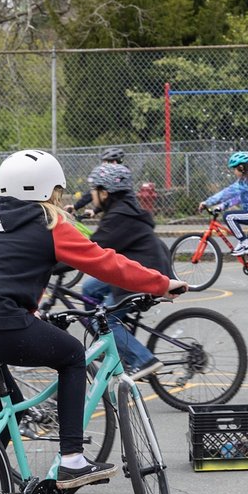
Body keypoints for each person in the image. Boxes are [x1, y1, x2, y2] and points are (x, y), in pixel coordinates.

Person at [0, 149, 187, 494]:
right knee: (72, 356)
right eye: (58, 191)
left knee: (6, 415)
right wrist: (161, 282)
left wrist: (31, 313)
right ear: (48, 190)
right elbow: (105, 263)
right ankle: (72, 458)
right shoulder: (49, 223)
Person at [78, 161, 170, 380]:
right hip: (138, 269)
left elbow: (91, 250)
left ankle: (143, 359)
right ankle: (112, 341)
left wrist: (56, 262)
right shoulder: (121, 209)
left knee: (103, 320)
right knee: (89, 288)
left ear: (106, 192)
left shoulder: (119, 217)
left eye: (95, 190)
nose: (92, 194)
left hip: (142, 277)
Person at [199, 151, 248, 290]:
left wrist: (207, 203)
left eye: (234, 169)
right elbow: (237, 198)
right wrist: (221, 206)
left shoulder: (247, 180)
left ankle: (244, 244)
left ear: (241, 167)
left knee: (229, 217)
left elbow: (228, 192)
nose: (234, 172)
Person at [70, 147, 126, 216]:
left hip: (119, 216)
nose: (103, 165)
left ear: (114, 162)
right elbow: (95, 192)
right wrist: (76, 206)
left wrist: (95, 210)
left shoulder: (119, 178)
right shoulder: (117, 175)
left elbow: (111, 198)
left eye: (105, 162)